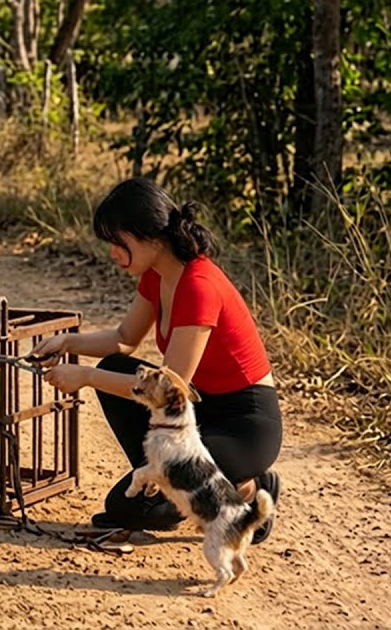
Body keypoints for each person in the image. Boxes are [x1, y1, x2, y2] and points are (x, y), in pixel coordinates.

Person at [30, 177, 283, 542]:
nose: (113, 253)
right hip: (199, 409)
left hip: (244, 424)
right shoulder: (156, 276)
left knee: (127, 508)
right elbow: (123, 340)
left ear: (150, 237)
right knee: (114, 369)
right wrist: (68, 341)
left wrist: (83, 376)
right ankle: (160, 484)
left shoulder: (199, 285)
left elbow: (171, 384)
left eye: (119, 243)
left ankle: (248, 490)